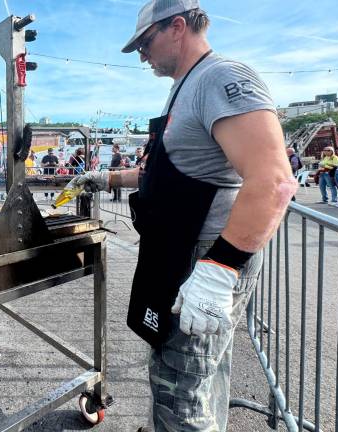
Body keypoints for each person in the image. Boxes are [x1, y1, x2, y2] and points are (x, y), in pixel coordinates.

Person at [73, 2, 295, 430]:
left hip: (203, 256)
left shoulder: (222, 77)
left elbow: (273, 181)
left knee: (181, 390)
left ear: (177, 26)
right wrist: (107, 178)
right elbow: (175, 170)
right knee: (198, 380)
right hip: (178, 250)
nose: (142, 55)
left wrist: (218, 269)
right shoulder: (186, 86)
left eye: (144, 42)